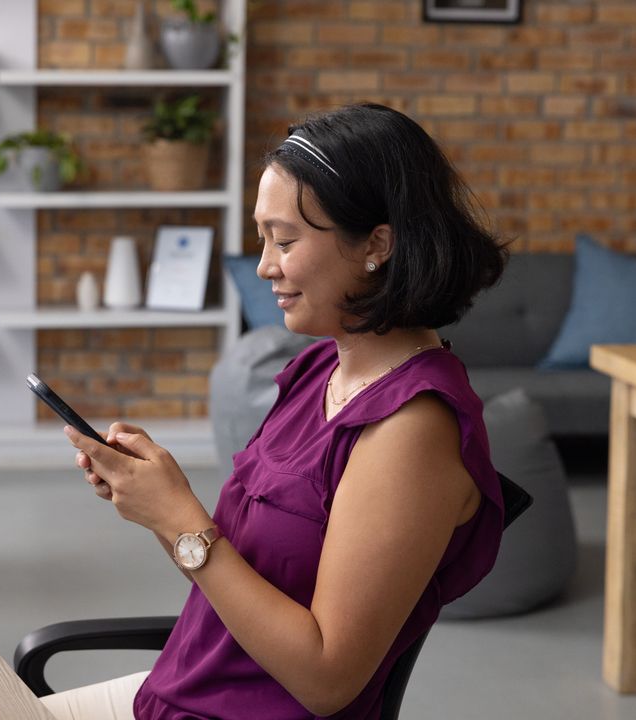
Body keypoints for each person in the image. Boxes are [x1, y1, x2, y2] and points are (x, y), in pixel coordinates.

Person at [45, 102, 509, 720]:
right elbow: (236, 579)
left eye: (284, 240)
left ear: (377, 243)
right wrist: (157, 502)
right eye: (263, 237)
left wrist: (181, 517)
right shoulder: (322, 371)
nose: (265, 265)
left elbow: (325, 680)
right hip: (178, 689)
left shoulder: (411, 429)